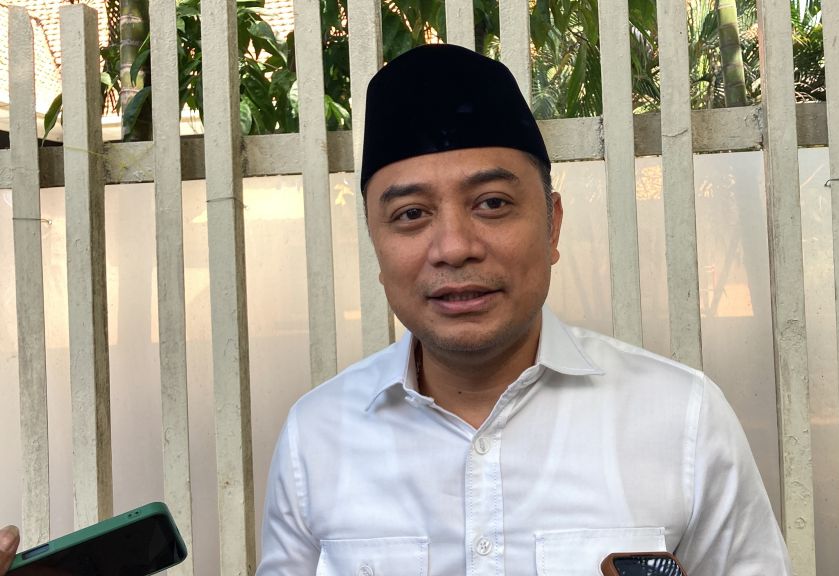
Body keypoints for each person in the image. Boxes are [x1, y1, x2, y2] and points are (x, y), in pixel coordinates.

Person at [256, 43, 790, 576]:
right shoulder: (317, 436)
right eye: (411, 213)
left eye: (492, 203)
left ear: (552, 226)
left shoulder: (681, 417)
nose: (454, 247)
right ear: (376, 246)